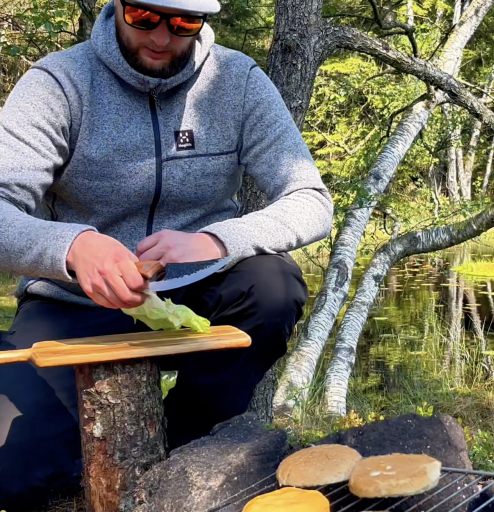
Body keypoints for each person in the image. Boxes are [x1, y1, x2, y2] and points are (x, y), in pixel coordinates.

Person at [0, 0, 333, 507]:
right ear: (117, 6)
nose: (161, 36)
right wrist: (73, 246)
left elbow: (311, 201)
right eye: (143, 17)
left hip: (201, 292)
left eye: (183, 22)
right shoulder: (58, 83)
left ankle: (185, 449)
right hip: (76, 300)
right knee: (19, 471)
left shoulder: (237, 81)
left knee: (272, 287)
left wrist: (218, 241)